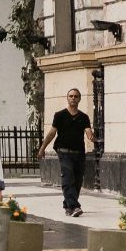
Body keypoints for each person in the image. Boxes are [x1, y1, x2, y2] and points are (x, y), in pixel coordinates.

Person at [38, 87, 94, 217]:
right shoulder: (60, 115)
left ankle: (67, 205)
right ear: (67, 98)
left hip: (79, 152)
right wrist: (42, 148)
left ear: (79, 99)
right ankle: (75, 206)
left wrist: (90, 135)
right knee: (68, 177)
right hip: (64, 152)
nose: (73, 98)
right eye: (71, 96)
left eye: (76, 96)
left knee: (78, 180)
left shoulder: (84, 117)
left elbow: (88, 130)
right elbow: (52, 133)